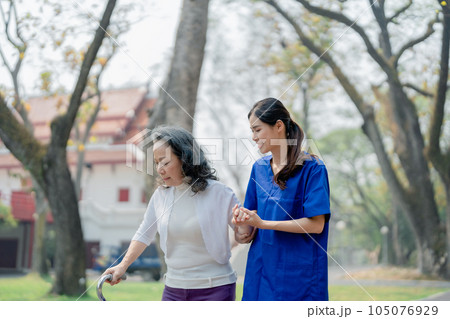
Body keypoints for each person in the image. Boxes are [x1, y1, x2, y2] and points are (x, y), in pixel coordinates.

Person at [103, 126, 246, 301]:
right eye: (156, 163)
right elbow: (144, 233)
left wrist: (243, 226)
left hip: (215, 288)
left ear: (185, 158)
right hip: (174, 289)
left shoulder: (220, 193)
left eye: (165, 162)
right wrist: (122, 266)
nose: (159, 169)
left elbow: (243, 236)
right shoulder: (161, 195)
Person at [233, 97, 331, 301]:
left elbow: (316, 225)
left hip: (298, 279)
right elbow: (250, 228)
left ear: (278, 126)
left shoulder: (313, 168)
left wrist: (264, 224)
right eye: (251, 131)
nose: (253, 137)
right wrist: (241, 226)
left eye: (257, 129)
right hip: (260, 273)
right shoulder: (258, 169)